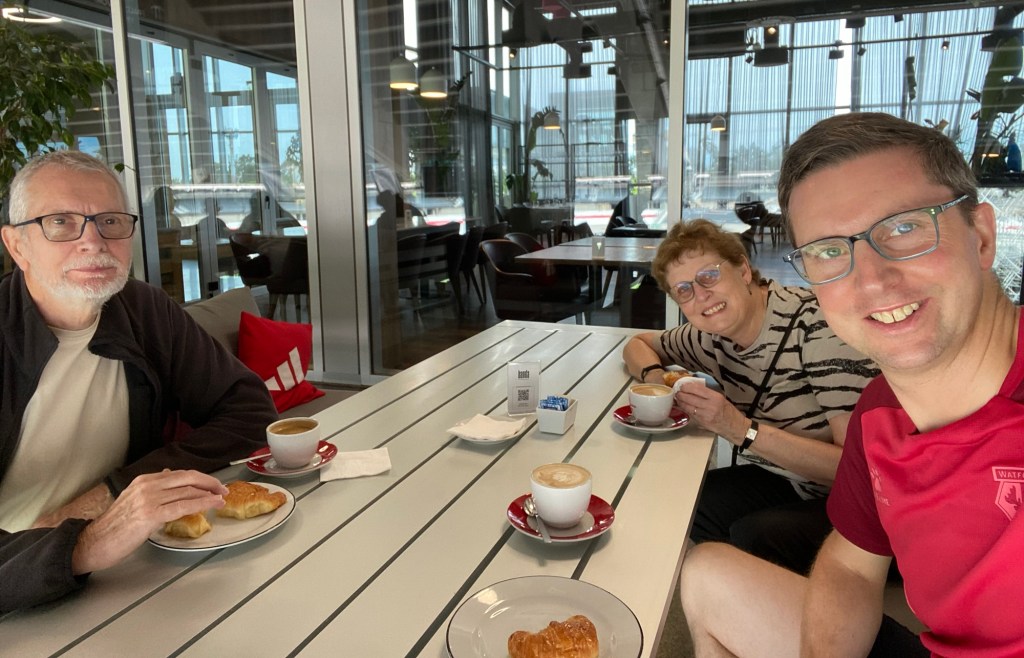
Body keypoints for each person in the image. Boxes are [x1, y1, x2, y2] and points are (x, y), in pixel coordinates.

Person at [680, 112, 1024, 656]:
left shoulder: (813, 339)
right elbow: (851, 564)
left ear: (981, 235)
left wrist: (741, 429)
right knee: (705, 572)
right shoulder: (881, 409)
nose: (873, 280)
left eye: (904, 227)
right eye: (829, 251)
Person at [0, 150, 277, 613]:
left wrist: (114, 493)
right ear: (17, 246)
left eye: (110, 221)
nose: (93, 242)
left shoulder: (143, 310)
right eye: (61, 223)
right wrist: (86, 542)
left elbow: (247, 409)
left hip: (131, 569)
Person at [622, 219, 877, 574]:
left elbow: (861, 473)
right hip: (791, 481)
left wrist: (739, 429)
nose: (701, 295)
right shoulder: (708, 336)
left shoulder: (818, 328)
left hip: (864, 503)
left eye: (709, 276)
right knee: (687, 500)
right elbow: (637, 344)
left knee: (752, 536)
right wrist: (658, 377)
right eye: (683, 290)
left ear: (743, 270)